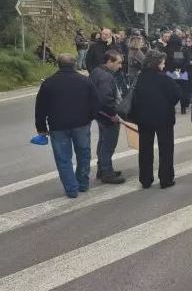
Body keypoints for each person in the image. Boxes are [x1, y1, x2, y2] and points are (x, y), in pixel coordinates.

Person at [35, 54, 100, 198]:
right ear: (75, 64)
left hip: (58, 126)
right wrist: (89, 118)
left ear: (58, 64)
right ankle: (83, 183)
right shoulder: (85, 81)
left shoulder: (49, 83)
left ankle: (71, 189)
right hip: (81, 124)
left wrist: (41, 128)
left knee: (63, 159)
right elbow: (96, 103)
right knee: (83, 154)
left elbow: (40, 108)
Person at [129, 50, 181, 189]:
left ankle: (145, 179)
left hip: (144, 118)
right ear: (157, 63)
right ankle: (166, 178)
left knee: (145, 149)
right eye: (163, 63)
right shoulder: (165, 79)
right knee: (166, 149)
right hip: (164, 118)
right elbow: (176, 95)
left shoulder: (140, 77)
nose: (164, 66)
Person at [89, 50, 126, 184]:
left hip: (99, 114)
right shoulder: (106, 77)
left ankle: (102, 169)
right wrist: (113, 114)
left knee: (103, 142)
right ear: (109, 61)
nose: (120, 66)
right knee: (108, 145)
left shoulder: (96, 71)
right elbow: (106, 99)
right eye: (118, 63)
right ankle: (107, 172)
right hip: (107, 116)